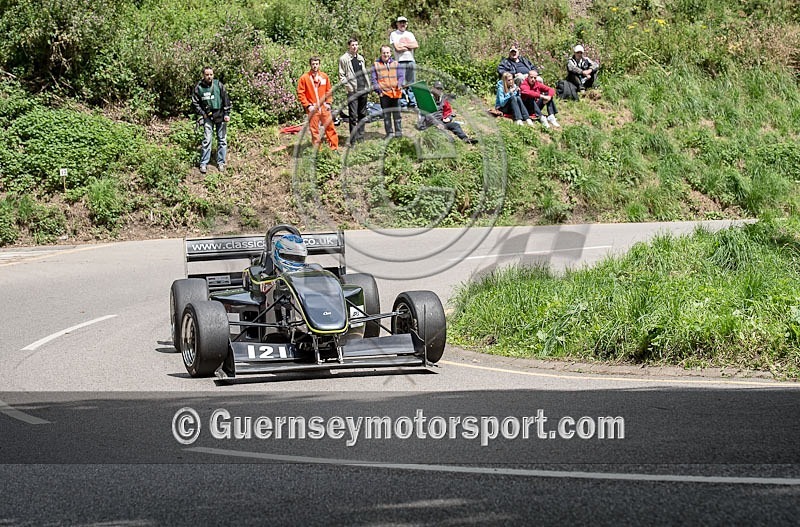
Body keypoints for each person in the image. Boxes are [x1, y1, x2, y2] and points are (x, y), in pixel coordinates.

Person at [191, 66, 232, 174]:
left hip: (220, 115)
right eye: (207, 75)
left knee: (222, 140)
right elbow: (195, 103)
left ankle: (221, 163)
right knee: (207, 140)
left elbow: (226, 99)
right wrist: (203, 114)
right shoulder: (199, 87)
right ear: (203, 75)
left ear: (213, 75)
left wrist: (227, 113)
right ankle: (203, 163)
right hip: (207, 117)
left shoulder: (218, 85)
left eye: (211, 74)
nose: (209, 77)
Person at [297, 56, 339, 150]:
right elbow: (301, 93)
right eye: (313, 64)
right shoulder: (304, 78)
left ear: (319, 64)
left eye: (316, 64)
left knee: (330, 127)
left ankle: (334, 147)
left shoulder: (324, 76)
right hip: (312, 108)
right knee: (314, 130)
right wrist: (307, 105)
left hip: (324, 107)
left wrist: (328, 103)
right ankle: (318, 151)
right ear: (310, 65)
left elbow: (328, 91)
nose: (315, 66)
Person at [338, 38, 371, 145]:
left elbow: (364, 72)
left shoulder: (361, 58)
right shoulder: (344, 59)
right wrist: (348, 87)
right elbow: (341, 75)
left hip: (363, 89)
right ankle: (352, 140)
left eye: (356, 45)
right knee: (353, 116)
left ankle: (360, 137)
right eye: (353, 45)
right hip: (352, 90)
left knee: (362, 114)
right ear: (349, 46)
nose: (355, 47)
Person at [371, 45, 405, 138]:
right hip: (384, 94)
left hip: (396, 93)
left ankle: (398, 134)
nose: (386, 54)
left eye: (387, 52)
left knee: (397, 116)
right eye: (384, 53)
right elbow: (374, 80)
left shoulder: (396, 63)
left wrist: (399, 84)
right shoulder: (376, 65)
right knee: (386, 116)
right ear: (381, 53)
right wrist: (378, 91)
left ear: (390, 53)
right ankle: (389, 134)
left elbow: (401, 76)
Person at [389, 16, 418, 108]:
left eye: (404, 22)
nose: (402, 24)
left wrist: (403, 45)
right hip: (400, 61)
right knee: (401, 83)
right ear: (397, 24)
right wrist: (409, 46)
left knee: (411, 83)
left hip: (411, 60)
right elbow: (397, 48)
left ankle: (412, 102)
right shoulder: (394, 34)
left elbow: (416, 45)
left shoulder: (410, 34)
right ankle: (403, 102)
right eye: (401, 22)